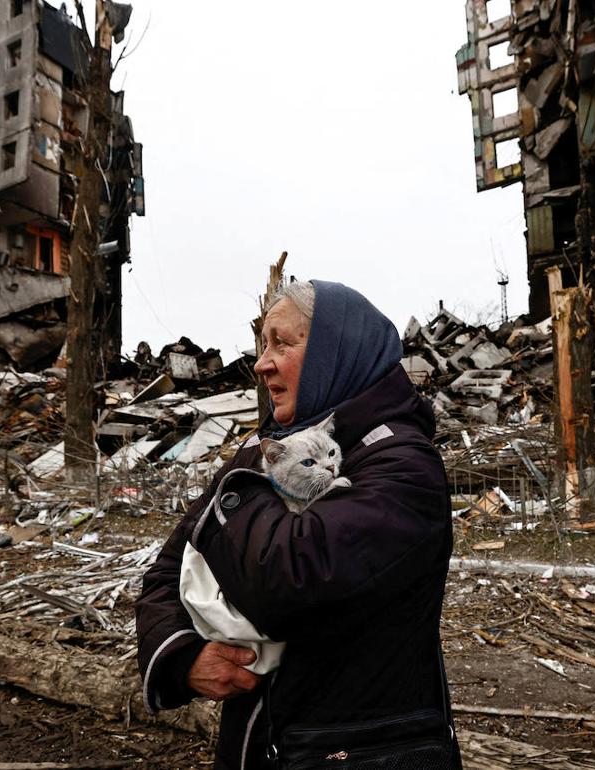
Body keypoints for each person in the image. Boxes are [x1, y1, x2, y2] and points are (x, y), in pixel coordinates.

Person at [135, 280, 460, 769]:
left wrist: (240, 489)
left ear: (336, 352)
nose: (262, 363)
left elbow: (288, 578)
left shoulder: (402, 466)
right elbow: (168, 568)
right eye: (262, 345)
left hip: (363, 752)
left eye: (281, 343)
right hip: (260, 744)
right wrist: (182, 655)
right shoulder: (273, 448)